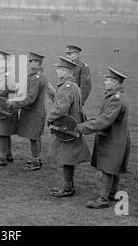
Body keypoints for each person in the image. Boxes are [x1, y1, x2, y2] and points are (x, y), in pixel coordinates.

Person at [75, 67, 130, 209]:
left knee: (108, 167)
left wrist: (83, 127)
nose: (105, 82)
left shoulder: (116, 99)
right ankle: (112, 193)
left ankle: (103, 199)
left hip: (113, 139)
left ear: (116, 83)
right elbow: (103, 117)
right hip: (115, 137)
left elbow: (105, 120)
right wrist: (87, 123)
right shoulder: (114, 96)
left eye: (108, 80)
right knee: (113, 167)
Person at [46, 56, 91, 197]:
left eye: (59, 69)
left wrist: (49, 118)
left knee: (66, 158)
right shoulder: (74, 85)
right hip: (73, 127)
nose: (57, 72)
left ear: (65, 71)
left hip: (66, 129)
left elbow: (61, 108)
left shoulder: (66, 88)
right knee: (69, 158)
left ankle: (67, 188)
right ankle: (68, 186)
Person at [7, 52, 49, 171]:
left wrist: (15, 103)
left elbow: (31, 98)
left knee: (34, 137)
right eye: (30, 61)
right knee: (34, 137)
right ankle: (37, 158)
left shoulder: (37, 78)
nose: (31, 64)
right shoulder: (34, 76)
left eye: (34, 61)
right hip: (33, 111)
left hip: (34, 112)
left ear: (39, 63)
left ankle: (35, 161)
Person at [0, 50, 18, 167]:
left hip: (3, 107)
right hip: (7, 106)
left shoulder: (6, 74)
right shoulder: (7, 73)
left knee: (2, 132)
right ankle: (8, 155)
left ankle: (2, 158)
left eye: (0, 60)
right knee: (6, 132)